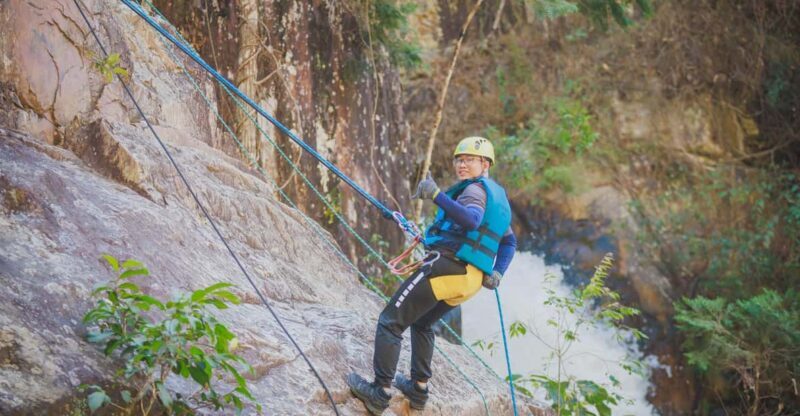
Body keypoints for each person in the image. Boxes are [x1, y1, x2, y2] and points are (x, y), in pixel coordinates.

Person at [346, 136, 517, 415]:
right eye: (459, 159)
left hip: (448, 268)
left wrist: (436, 195)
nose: (462, 165)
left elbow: (472, 220)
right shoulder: (497, 198)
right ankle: (418, 388)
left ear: (485, 164)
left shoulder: (474, 191)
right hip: (470, 280)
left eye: (470, 160)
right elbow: (509, 242)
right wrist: (498, 272)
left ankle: (380, 392)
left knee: (391, 320)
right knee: (423, 323)